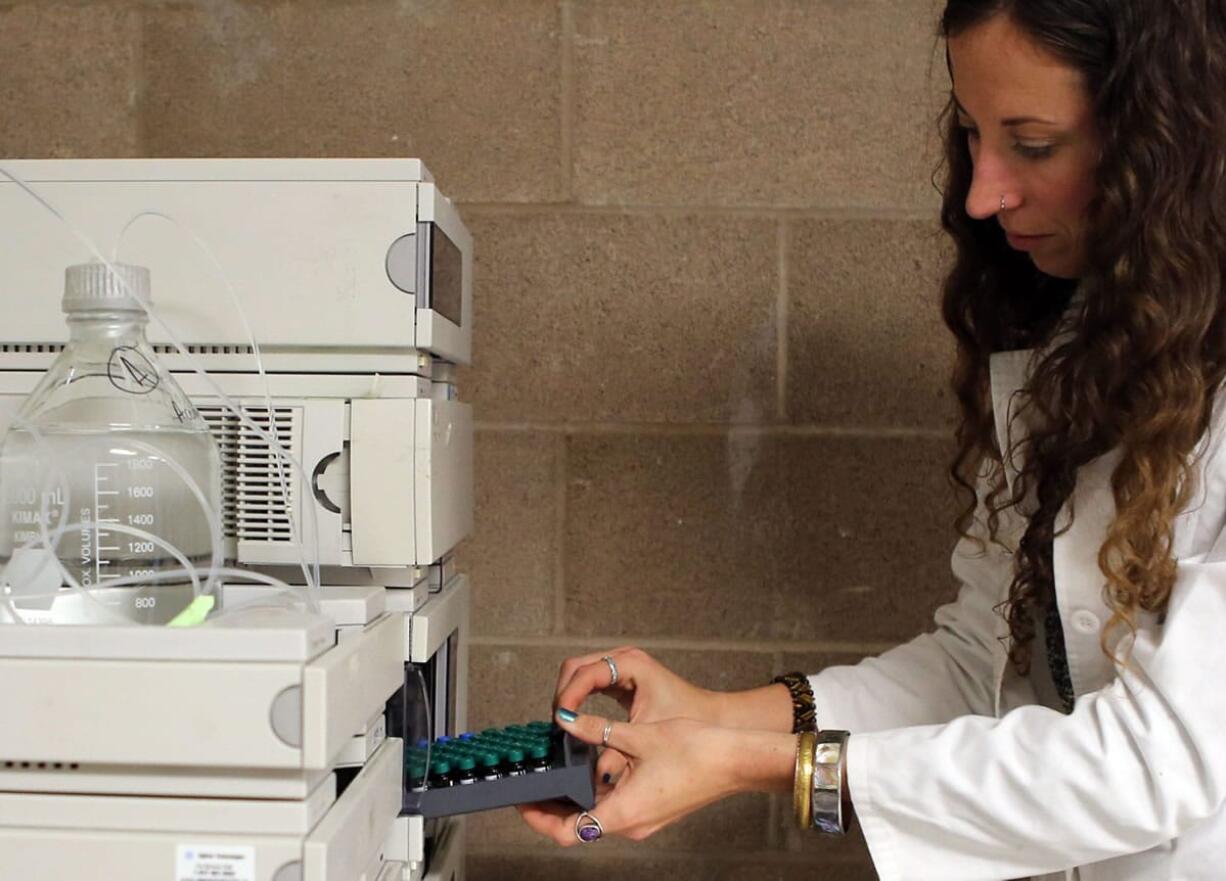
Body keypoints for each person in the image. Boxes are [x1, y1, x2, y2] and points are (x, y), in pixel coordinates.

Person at [517, 0, 1226, 878]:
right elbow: (977, 664)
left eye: (1033, 144)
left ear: (1169, 141)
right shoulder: (1079, 353)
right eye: (972, 132)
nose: (982, 191)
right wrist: (710, 716)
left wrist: (754, 764)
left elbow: (1156, 765)